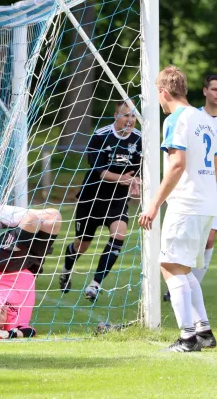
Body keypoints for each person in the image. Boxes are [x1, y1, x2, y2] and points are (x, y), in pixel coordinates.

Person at [138, 65, 217, 352]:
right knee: (182, 268)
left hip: (186, 204)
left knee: (169, 266)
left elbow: (177, 164)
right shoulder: (205, 118)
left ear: (163, 92)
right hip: (206, 203)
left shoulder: (175, 119)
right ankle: (204, 331)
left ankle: (187, 338)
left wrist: (154, 205)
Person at [163, 74, 217, 302]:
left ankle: (187, 287)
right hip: (192, 187)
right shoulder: (193, 117)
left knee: (208, 240)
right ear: (205, 91)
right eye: (215, 89)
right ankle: (181, 286)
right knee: (190, 242)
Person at [59, 101, 141, 302]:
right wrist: (125, 179)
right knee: (82, 245)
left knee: (119, 235)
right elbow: (101, 172)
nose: (130, 120)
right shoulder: (100, 136)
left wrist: (136, 182)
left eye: (133, 116)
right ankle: (66, 269)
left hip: (117, 198)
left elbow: (140, 169)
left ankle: (95, 284)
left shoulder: (140, 139)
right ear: (115, 115)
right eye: (125, 115)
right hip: (91, 198)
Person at [0, 177, 61, 339]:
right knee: (53, 218)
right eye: (1, 317)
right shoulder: (13, 324)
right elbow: (30, 331)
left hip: (5, 263)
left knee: (31, 220)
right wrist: (8, 334)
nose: (0, 310)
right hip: (32, 265)